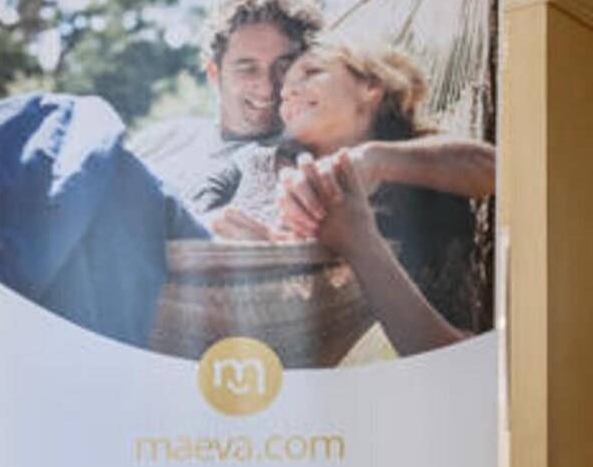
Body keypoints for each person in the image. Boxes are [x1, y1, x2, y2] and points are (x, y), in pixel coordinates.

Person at [204, 42, 494, 356]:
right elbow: (193, 217)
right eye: (284, 90)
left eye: (312, 72)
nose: (286, 93)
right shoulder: (256, 168)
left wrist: (368, 162)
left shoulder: (426, 187)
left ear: (371, 86)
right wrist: (265, 255)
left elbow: (493, 167)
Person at [131, 0, 324, 207]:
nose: (267, 87)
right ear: (214, 73)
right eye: (247, 69)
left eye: (284, 67)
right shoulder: (161, 139)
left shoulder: (300, 167)